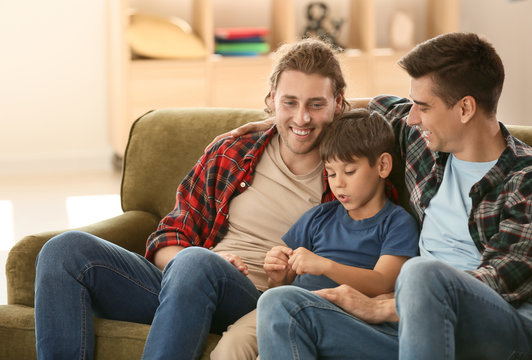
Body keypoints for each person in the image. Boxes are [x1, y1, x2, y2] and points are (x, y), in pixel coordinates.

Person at [33, 38, 349, 360]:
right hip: (186, 284)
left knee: (197, 261)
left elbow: (392, 106)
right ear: (271, 99)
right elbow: (170, 236)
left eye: (316, 104)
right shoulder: (232, 151)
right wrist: (202, 264)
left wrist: (202, 264)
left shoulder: (350, 172)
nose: (302, 118)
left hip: (257, 299)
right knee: (64, 250)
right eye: (290, 103)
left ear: (338, 103)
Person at [228, 32, 532, 359]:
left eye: (423, 106)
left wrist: (383, 306)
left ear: (465, 108)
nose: (413, 116)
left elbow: (500, 284)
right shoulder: (422, 143)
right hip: (407, 324)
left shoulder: (523, 179)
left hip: (495, 330)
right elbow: (368, 108)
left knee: (421, 273)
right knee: (282, 304)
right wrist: (286, 120)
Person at [213, 108, 419, 359]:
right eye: (331, 173)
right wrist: (277, 274)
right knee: (232, 347)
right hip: (286, 304)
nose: (338, 183)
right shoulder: (319, 216)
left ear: (383, 165)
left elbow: (383, 282)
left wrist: (325, 266)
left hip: (342, 316)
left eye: (349, 171)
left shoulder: (397, 222)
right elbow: (281, 285)